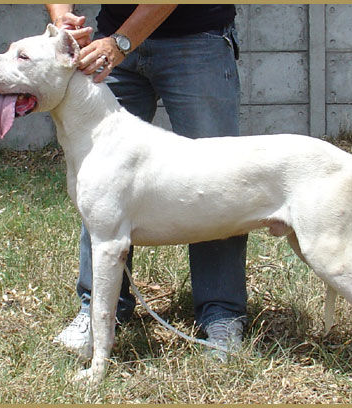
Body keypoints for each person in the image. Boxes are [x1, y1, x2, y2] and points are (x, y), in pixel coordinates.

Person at [46, 4, 248, 361]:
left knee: (217, 180)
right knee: (101, 184)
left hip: (196, 39)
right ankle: (98, 313)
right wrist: (62, 16)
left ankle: (221, 314)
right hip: (110, 40)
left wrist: (122, 42)